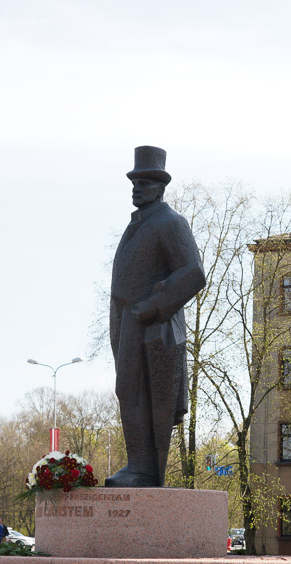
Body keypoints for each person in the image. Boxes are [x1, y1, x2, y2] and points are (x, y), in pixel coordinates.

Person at [106, 146, 206, 487]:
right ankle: (138, 463)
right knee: (128, 392)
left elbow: (193, 273)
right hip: (126, 323)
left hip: (152, 326)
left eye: (146, 182)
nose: (137, 188)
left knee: (149, 397)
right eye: (134, 182)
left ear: (161, 187)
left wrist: (154, 305)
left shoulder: (170, 222)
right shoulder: (136, 225)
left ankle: (146, 470)